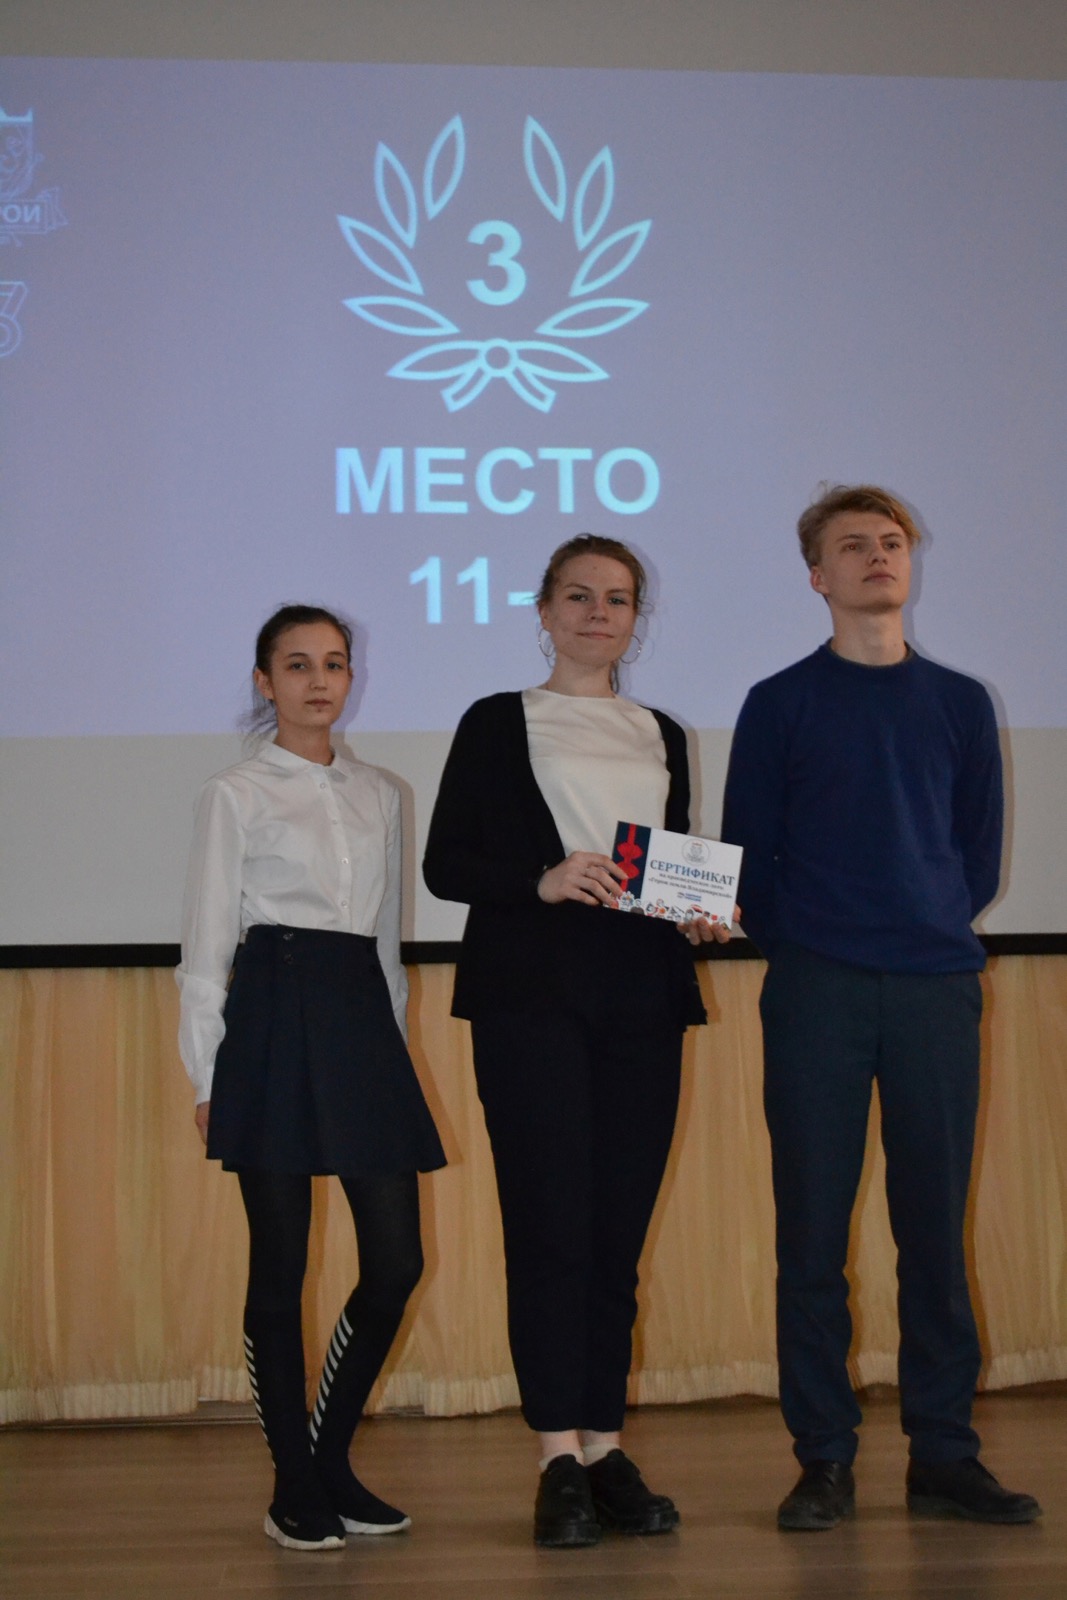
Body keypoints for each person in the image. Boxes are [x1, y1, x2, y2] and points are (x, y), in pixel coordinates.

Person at [721, 486, 1041, 1530]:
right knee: (810, 1236)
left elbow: (975, 856)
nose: (876, 556)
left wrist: (920, 930)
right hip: (814, 991)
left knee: (932, 1236)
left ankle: (943, 1453)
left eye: (890, 542)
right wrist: (810, 945)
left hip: (934, 992)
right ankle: (822, 1457)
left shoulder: (959, 701)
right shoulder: (778, 702)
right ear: (817, 575)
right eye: (851, 545)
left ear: (909, 563)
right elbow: (749, 856)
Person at [423, 534, 732, 1548]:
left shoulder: (660, 731)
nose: (600, 613)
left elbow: (669, 866)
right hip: (531, 997)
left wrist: (696, 912)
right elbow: (444, 864)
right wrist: (541, 878)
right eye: (580, 596)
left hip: (641, 992)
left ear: (636, 618)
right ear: (545, 610)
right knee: (551, 1226)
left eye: (618, 599)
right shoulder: (496, 719)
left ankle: (603, 1448)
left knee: (614, 1236)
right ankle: (555, 1453)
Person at [176, 603, 445, 1552]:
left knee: (397, 1259)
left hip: (360, 1019)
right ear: (265, 682)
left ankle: (329, 1460)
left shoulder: (381, 792)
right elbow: (205, 945)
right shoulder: (234, 793)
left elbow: (384, 944)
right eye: (297, 665)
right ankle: (291, 1480)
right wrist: (206, 1076)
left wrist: (393, 1044)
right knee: (280, 1264)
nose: (319, 680)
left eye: (334, 663)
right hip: (271, 1022)